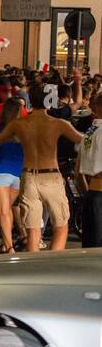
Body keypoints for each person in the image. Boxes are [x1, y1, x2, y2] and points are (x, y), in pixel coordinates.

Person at [0, 82, 84, 254]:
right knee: (61, 224)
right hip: (50, 176)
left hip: (28, 177)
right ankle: (52, 263)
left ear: (29, 102)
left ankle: (34, 265)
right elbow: (83, 141)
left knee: (33, 229)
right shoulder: (58, 124)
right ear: (50, 100)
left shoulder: (19, 124)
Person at [0, 97, 25, 254]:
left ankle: (9, 247)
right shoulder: (24, 129)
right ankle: (5, 244)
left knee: (3, 211)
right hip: (19, 173)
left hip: (2, 172)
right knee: (8, 209)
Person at [76, 91, 102, 249]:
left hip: (91, 194)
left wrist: (86, 193)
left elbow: (77, 170)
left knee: (90, 249)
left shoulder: (89, 133)